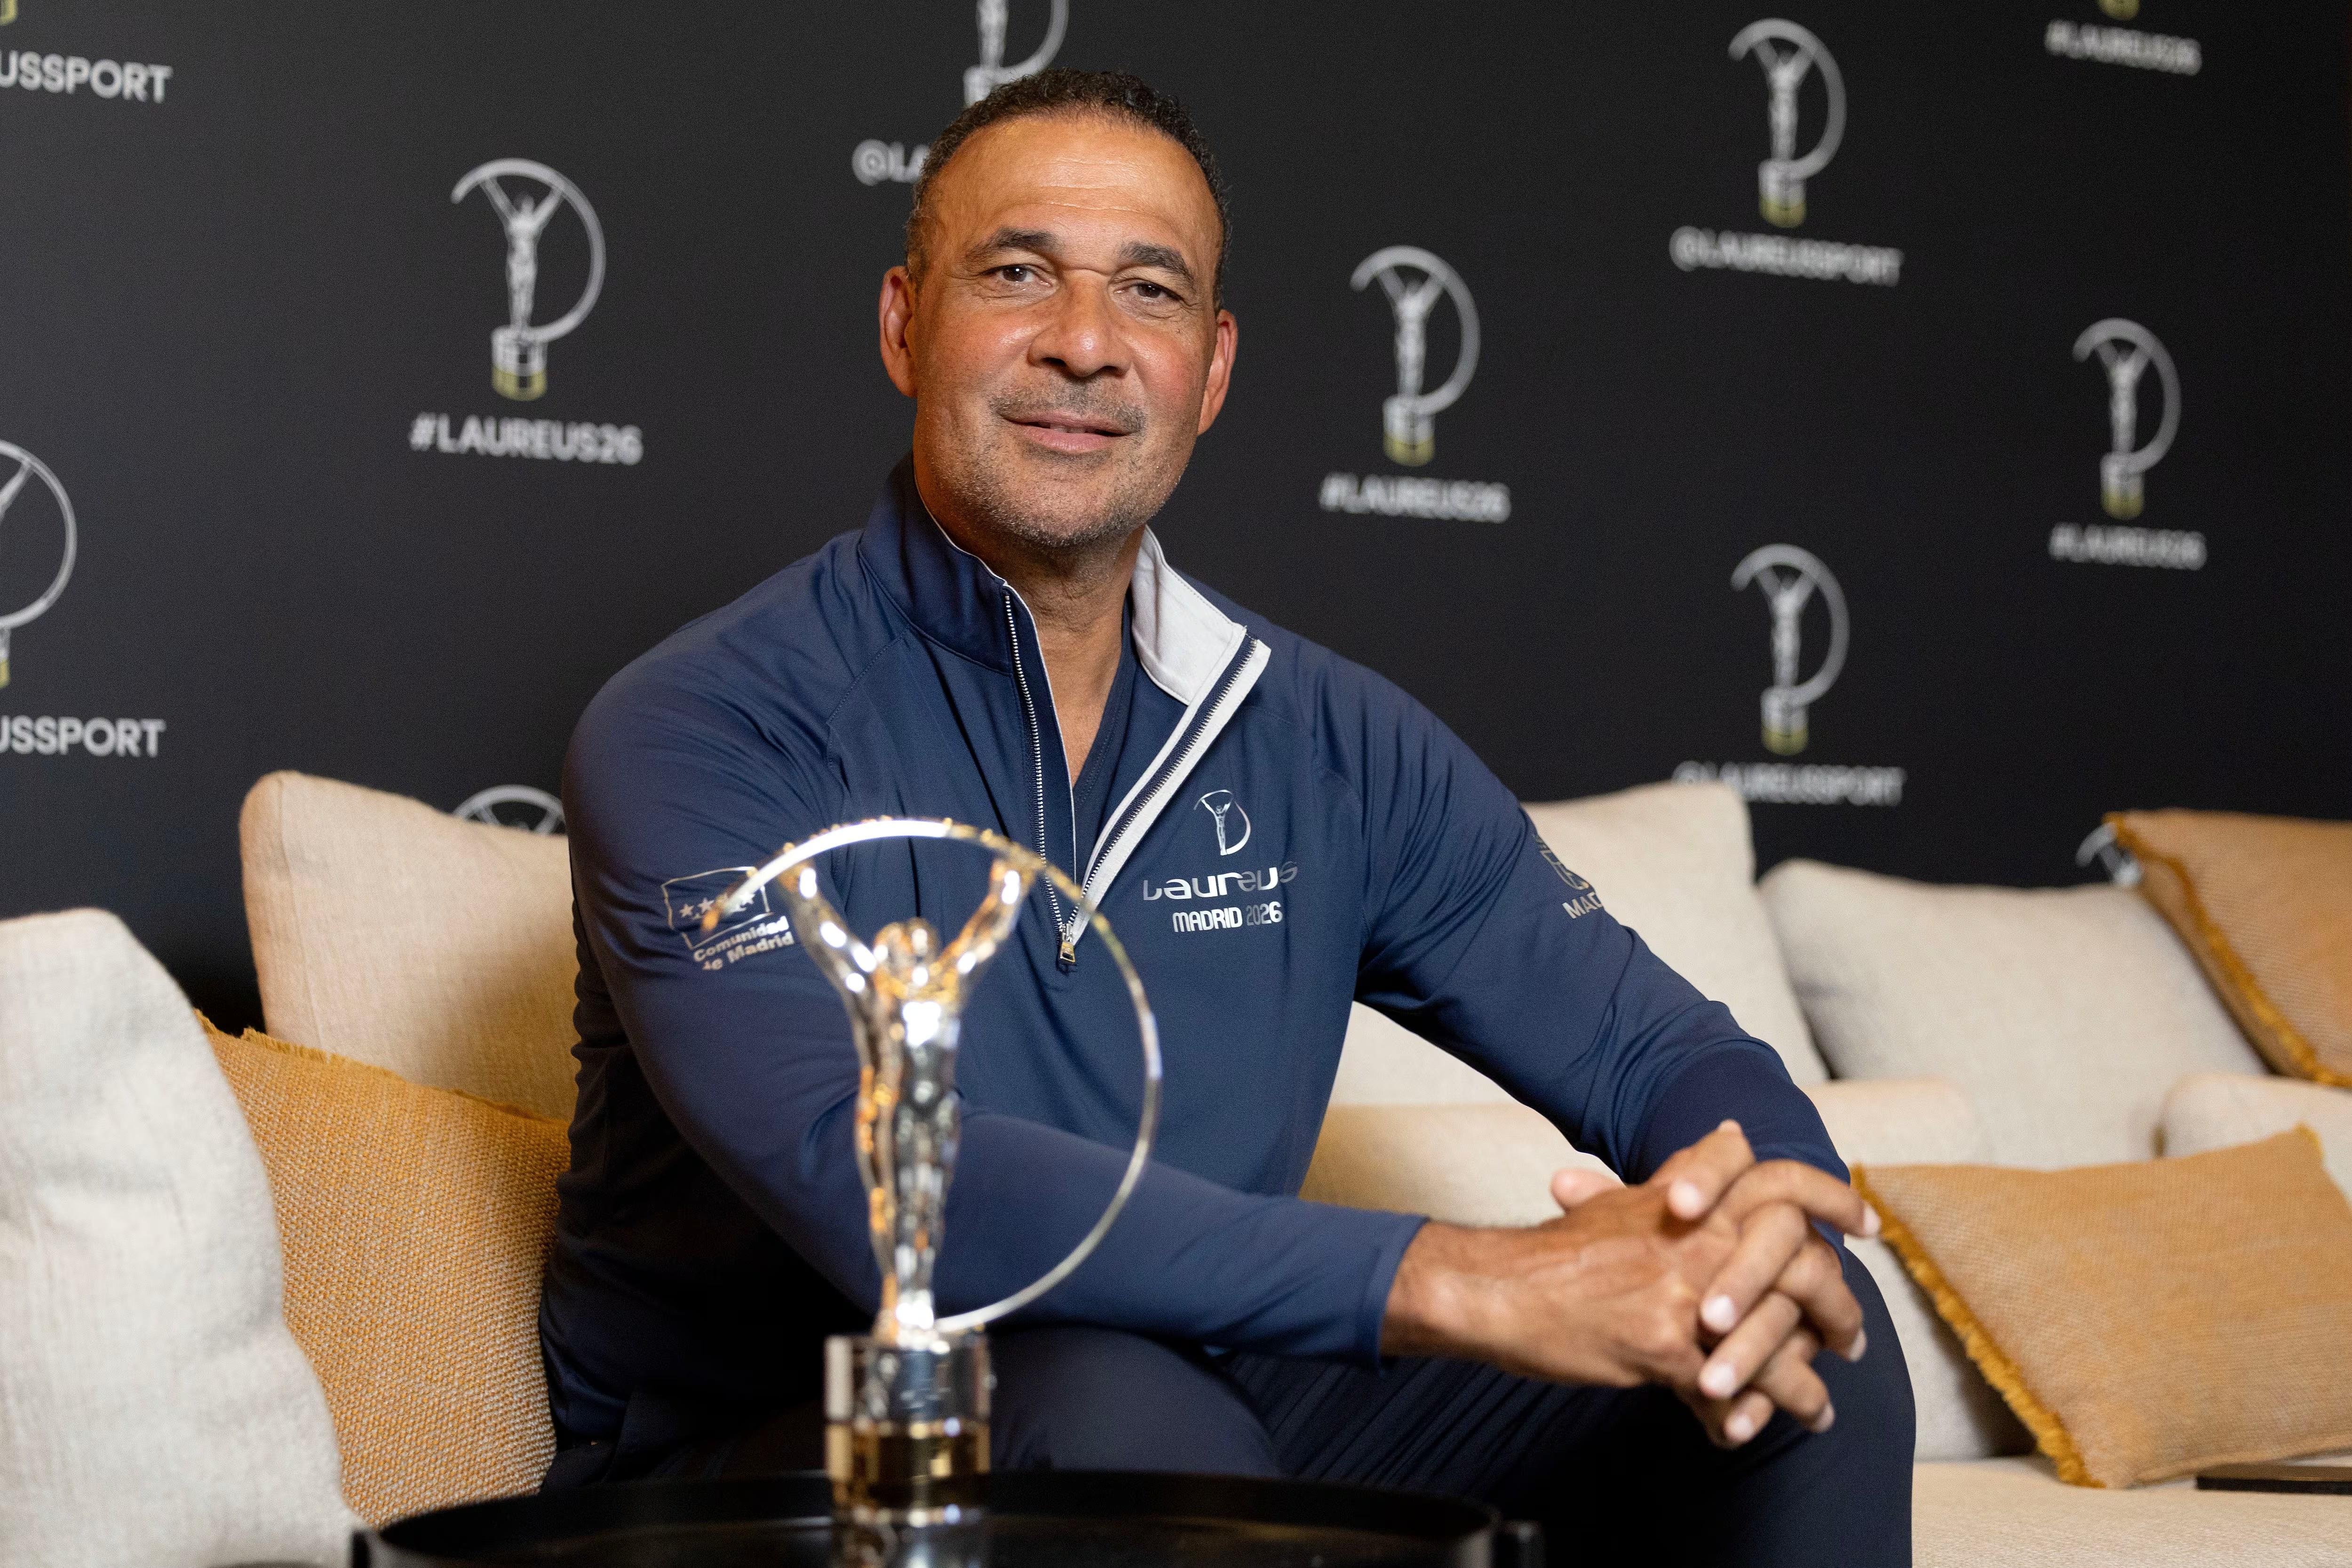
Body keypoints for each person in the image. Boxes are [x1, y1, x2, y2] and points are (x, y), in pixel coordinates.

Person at [540, 69, 1913, 1566]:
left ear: (1212, 368)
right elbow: (875, 1181)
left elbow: (1657, 1051)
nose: (1085, 342)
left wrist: (1762, 1237)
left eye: (1151, 292)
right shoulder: (708, 722)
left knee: (1802, 1355)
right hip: (777, 1454)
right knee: (1125, 1421)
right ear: (903, 325)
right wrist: (1468, 1277)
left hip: (1185, 1391)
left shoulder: (1329, 739)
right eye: (1018, 274)